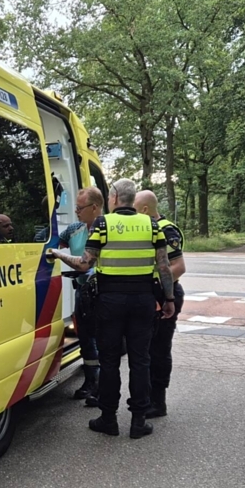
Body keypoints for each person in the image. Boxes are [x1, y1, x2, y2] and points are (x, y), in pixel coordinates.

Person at [46, 178, 176, 439]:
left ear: (115, 198)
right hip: (142, 301)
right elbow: (164, 267)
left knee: (109, 361)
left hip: (110, 301)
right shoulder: (151, 225)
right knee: (141, 360)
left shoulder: (103, 224)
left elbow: (84, 264)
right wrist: (169, 299)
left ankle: (109, 418)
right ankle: (138, 421)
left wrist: (58, 254)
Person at [134, 189, 186, 418]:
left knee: (159, 350)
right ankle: (144, 399)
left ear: (145, 209)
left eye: (134, 208)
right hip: (148, 297)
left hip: (165, 295)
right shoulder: (144, 229)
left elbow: (178, 267)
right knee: (144, 350)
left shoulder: (166, 229)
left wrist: (154, 286)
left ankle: (158, 401)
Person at [58, 187, 103, 400]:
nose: (76, 211)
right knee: (84, 337)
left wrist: (59, 256)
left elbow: (85, 264)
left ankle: (102, 386)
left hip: (103, 292)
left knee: (101, 338)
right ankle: (90, 381)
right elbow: (51, 241)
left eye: (80, 208)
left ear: (95, 208)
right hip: (82, 292)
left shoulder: (107, 227)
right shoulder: (74, 229)